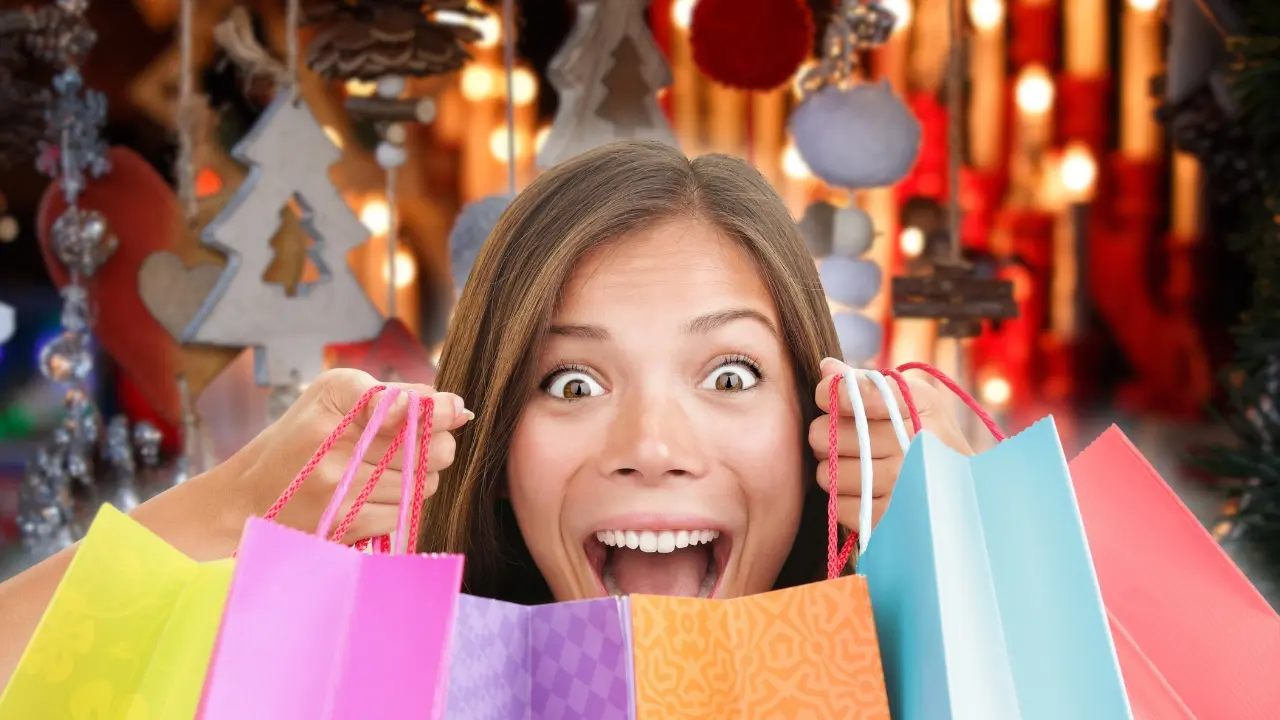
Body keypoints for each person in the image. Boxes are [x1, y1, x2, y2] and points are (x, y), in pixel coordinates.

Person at [0, 141, 972, 680]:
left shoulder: (936, 688)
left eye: (727, 376)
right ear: (495, 444)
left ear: (821, 432)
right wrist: (228, 512)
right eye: (572, 384)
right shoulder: (360, 688)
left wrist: (974, 557)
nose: (651, 447)